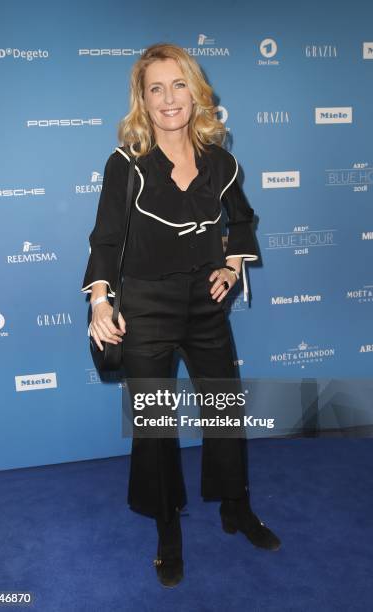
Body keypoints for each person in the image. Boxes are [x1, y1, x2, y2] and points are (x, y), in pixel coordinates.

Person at [81, 42, 281, 588]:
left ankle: (235, 508)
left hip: (205, 302)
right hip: (145, 304)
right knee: (155, 424)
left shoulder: (220, 160)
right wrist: (100, 301)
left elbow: (241, 217)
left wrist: (233, 263)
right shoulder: (126, 164)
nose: (169, 98)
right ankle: (167, 529)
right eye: (156, 88)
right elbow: (105, 240)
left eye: (179, 84)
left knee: (224, 408)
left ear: (196, 91)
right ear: (142, 101)